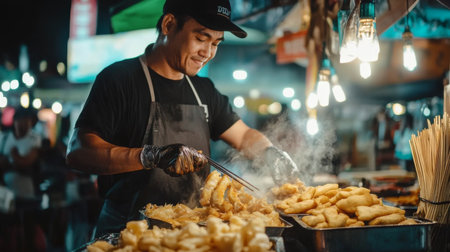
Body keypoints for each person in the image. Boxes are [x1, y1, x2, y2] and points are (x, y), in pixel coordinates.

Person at [66, 0, 300, 237]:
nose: (207, 53)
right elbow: (78, 152)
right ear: (169, 24)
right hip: (127, 232)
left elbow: (244, 135)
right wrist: (150, 156)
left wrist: (270, 152)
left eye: (215, 43)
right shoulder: (119, 80)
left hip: (191, 232)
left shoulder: (204, 90)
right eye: (201, 38)